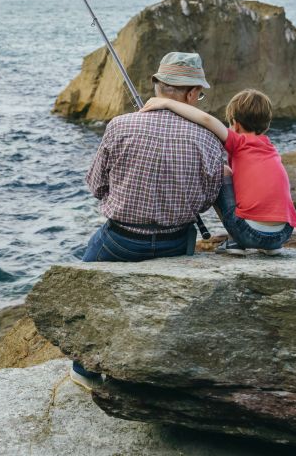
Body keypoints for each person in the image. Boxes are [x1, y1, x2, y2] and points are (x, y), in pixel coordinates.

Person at [72, 52, 227, 390]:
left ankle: (83, 371)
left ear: (158, 86)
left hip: (120, 241)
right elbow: (208, 197)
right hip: (176, 242)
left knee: (83, 292)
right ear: (190, 94)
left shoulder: (120, 125)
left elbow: (96, 186)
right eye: (199, 94)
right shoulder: (209, 139)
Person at [140, 88, 296, 256]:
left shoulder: (239, 142)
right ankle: (271, 248)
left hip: (249, 233)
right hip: (283, 234)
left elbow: (206, 119)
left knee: (221, 171)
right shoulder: (271, 149)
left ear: (235, 124)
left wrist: (167, 102)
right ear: (266, 125)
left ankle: (235, 242)